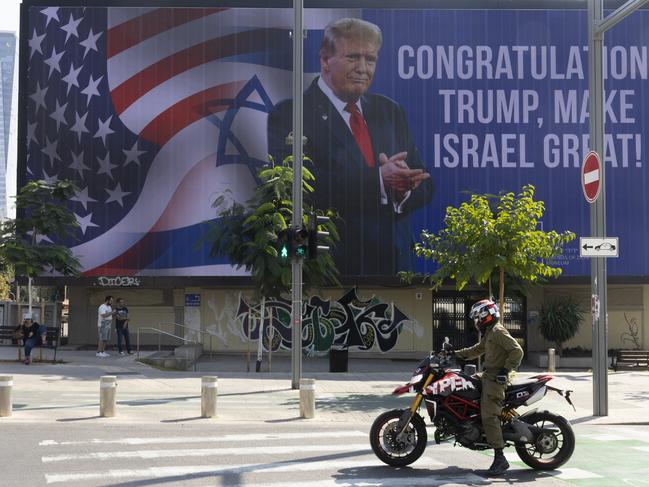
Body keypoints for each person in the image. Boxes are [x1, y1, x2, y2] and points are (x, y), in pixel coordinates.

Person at [267, 17, 433, 277]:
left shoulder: (389, 111)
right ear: (324, 61)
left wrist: (403, 191)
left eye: (371, 59)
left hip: (396, 272)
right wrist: (379, 180)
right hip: (331, 273)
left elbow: (424, 182)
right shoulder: (291, 114)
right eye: (353, 57)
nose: (363, 68)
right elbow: (299, 189)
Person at [454, 299, 524, 477]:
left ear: (486, 315)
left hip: (495, 379)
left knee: (489, 415)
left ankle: (500, 458)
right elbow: (478, 349)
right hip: (487, 375)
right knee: (461, 384)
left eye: (478, 317)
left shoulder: (498, 331)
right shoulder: (490, 332)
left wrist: (505, 369)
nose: (476, 322)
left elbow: (517, 351)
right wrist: (455, 354)